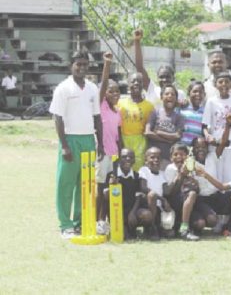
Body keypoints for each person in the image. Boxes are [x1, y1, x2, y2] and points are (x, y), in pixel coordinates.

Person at [49, 50, 105, 239]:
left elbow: (97, 118)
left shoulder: (92, 88)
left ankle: (79, 222)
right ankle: (65, 225)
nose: (82, 67)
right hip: (70, 139)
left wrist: (101, 145)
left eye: (84, 64)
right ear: (71, 66)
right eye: (78, 64)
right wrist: (64, 145)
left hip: (89, 139)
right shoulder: (63, 88)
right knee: (66, 183)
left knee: (85, 184)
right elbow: (58, 118)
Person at [202, 72, 231, 183]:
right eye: (220, 82)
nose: (224, 84)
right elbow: (204, 125)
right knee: (215, 178)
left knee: (230, 181)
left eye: (227, 82)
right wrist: (208, 136)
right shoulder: (211, 101)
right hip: (216, 147)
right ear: (215, 85)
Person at [95, 52, 123, 235]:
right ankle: (97, 220)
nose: (114, 93)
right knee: (100, 187)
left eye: (117, 91)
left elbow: (118, 136)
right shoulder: (100, 106)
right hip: (102, 154)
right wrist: (107, 64)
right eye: (110, 91)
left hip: (114, 155)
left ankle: (106, 220)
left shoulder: (117, 111)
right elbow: (104, 83)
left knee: (110, 188)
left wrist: (120, 156)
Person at [102, 148, 154, 240]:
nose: (128, 159)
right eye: (124, 157)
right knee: (122, 236)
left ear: (134, 160)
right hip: (117, 212)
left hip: (132, 210)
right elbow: (105, 196)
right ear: (119, 160)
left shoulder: (137, 176)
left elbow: (138, 196)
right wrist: (111, 186)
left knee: (147, 215)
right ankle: (116, 227)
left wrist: (132, 212)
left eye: (131, 157)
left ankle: (147, 231)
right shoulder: (111, 175)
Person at [133, 29, 187, 109]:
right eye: (161, 77)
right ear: (157, 78)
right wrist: (137, 41)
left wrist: (185, 103)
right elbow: (139, 68)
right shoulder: (152, 89)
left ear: (173, 78)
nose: (164, 80)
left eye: (167, 76)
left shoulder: (180, 94)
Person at [163, 143, 201, 241]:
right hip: (174, 201)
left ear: (187, 156)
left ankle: (187, 225)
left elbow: (197, 189)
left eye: (182, 154)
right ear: (171, 158)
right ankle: (184, 229)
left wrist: (194, 182)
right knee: (191, 194)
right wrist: (181, 175)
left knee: (201, 223)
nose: (179, 157)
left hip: (189, 202)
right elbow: (170, 192)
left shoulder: (191, 167)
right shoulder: (170, 168)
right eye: (175, 154)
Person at [117, 72, 154, 172]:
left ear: (143, 85)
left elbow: (149, 127)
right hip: (123, 140)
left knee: (138, 170)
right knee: (123, 169)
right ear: (128, 84)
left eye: (139, 81)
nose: (136, 83)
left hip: (140, 142)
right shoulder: (120, 103)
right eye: (133, 81)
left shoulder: (149, 106)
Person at [139, 147, 175, 239]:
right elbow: (143, 188)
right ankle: (151, 228)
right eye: (152, 157)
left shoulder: (162, 174)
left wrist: (178, 176)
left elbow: (166, 191)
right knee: (152, 195)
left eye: (158, 158)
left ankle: (159, 228)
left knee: (171, 234)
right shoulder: (144, 170)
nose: (156, 160)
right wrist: (162, 199)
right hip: (146, 205)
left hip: (159, 208)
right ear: (146, 160)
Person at [145, 85, 184, 170]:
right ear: (161, 97)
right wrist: (167, 140)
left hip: (168, 159)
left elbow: (177, 136)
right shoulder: (155, 112)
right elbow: (147, 132)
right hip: (153, 158)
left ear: (176, 99)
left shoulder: (179, 117)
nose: (170, 96)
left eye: (173, 94)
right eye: (167, 94)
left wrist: (159, 132)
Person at [180, 81, 205, 146]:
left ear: (204, 94)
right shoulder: (182, 108)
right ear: (189, 93)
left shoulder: (205, 111)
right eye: (195, 91)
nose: (198, 94)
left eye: (200, 92)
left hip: (196, 149)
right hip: (182, 147)